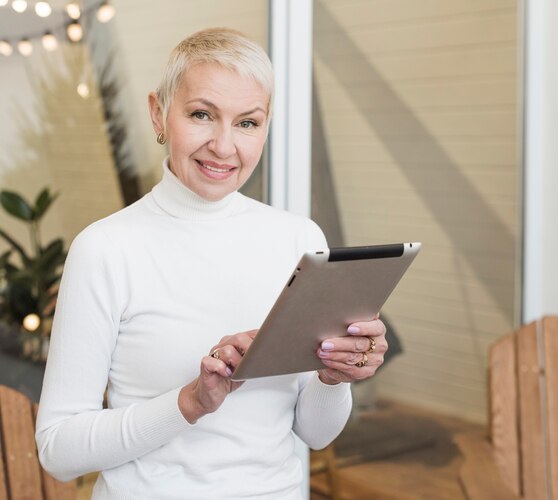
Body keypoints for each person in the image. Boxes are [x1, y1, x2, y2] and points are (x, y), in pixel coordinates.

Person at [35, 28, 388, 500]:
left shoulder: (299, 240)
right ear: (159, 113)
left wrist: (333, 376)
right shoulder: (105, 249)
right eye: (202, 115)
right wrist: (190, 402)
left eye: (247, 123)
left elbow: (316, 433)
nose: (224, 147)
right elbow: (59, 451)